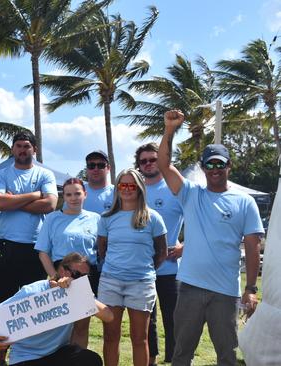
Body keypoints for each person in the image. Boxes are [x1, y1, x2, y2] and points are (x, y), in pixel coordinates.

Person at [158, 110, 264, 366]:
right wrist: (169, 130)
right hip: (190, 288)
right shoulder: (191, 194)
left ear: (229, 166)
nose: (214, 169)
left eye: (220, 164)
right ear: (203, 167)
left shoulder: (245, 202)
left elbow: (252, 247)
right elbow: (164, 165)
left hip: (226, 292)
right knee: (181, 354)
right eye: (209, 164)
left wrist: (250, 289)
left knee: (227, 356)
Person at [0, 253, 114, 365]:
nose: (80, 280)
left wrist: (78, 292)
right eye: (77, 274)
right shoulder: (33, 291)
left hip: (57, 354)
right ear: (63, 271)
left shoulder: (78, 295)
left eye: (85, 277)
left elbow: (108, 316)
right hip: (26, 357)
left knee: (90, 359)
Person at [97, 168, 167, 366]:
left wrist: (144, 269)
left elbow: (161, 252)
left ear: (139, 188)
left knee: (140, 339)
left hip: (141, 284)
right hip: (111, 282)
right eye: (123, 185)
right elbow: (102, 249)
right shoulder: (106, 218)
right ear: (117, 188)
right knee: (110, 337)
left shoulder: (153, 217)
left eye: (131, 185)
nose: (127, 189)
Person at [0, 130, 58, 302]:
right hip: (7, 246)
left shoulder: (45, 174)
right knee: (5, 302)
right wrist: (35, 195)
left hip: (36, 246)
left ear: (34, 149)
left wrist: (13, 200)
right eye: (18, 146)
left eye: (26, 146)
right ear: (12, 149)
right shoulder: (1, 174)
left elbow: (50, 204)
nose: (22, 150)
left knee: (35, 303)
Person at [34, 177, 101, 347]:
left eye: (77, 193)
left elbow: (101, 251)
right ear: (63, 196)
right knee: (58, 327)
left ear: (85, 194)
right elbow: (43, 252)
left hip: (86, 277)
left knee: (81, 326)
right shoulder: (52, 218)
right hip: (60, 277)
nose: (73, 198)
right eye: (69, 194)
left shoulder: (96, 219)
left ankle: (78, 359)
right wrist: (56, 277)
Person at [135, 142, 184, 364]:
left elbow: (198, 219)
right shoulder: (134, 190)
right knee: (147, 320)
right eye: (143, 161)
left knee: (174, 319)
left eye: (152, 159)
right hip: (142, 269)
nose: (148, 164)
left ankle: (175, 359)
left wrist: (185, 246)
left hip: (170, 268)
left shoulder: (176, 188)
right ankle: (151, 360)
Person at [83, 150, 114, 215]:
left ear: (108, 168)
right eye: (91, 165)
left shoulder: (118, 193)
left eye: (100, 165)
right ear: (87, 169)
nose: (96, 169)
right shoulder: (77, 192)